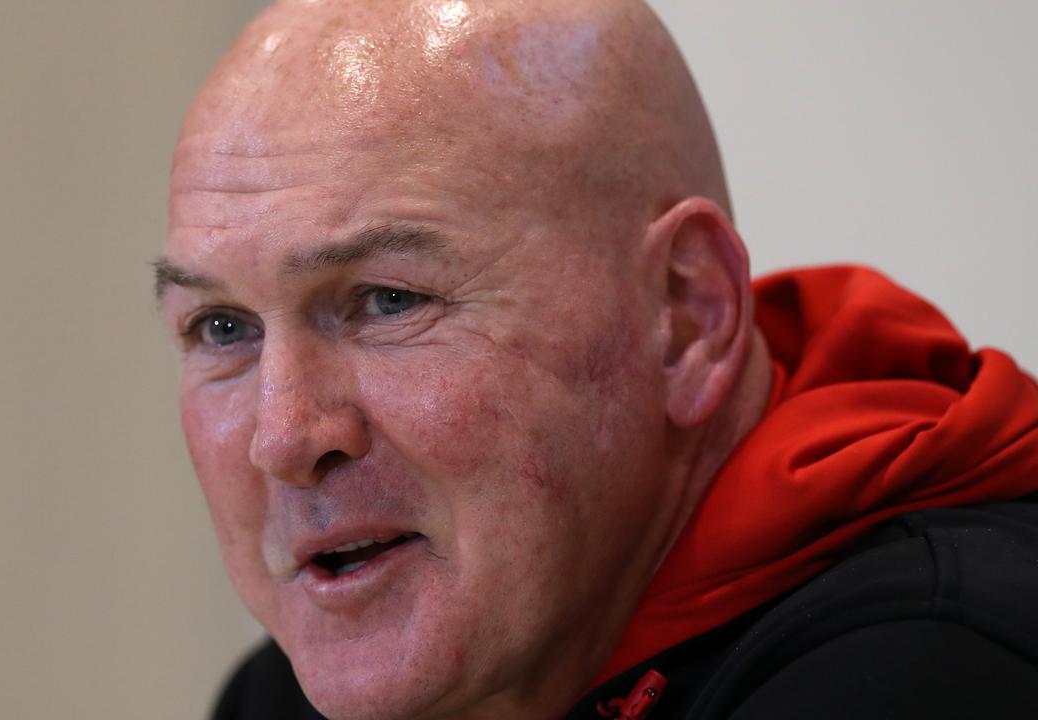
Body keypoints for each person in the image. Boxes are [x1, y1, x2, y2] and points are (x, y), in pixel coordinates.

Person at [153, 1, 1038, 717]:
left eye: (391, 301)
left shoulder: (926, 666)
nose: (284, 436)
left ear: (685, 316)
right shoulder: (285, 697)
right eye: (223, 328)